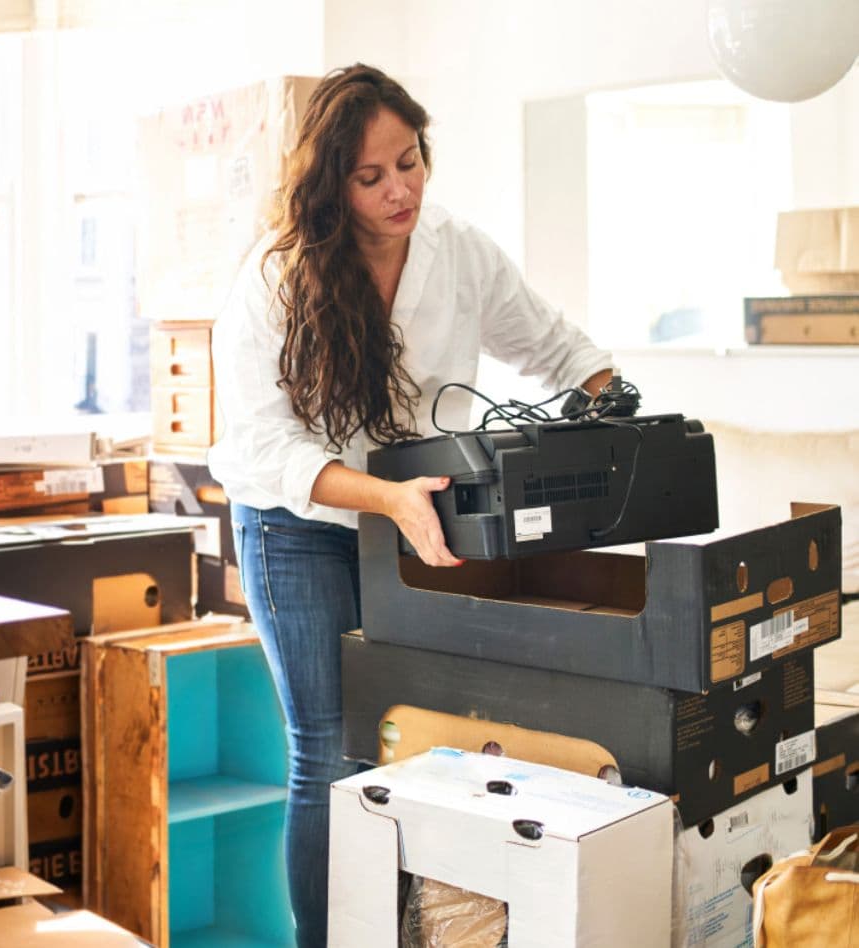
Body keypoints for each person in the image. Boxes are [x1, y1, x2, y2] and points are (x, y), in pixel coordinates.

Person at [207, 63, 614, 947]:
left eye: (410, 162)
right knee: (330, 747)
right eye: (371, 176)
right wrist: (386, 498)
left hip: (411, 516)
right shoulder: (275, 280)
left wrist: (613, 398)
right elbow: (266, 447)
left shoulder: (457, 251)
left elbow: (551, 344)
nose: (401, 190)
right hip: (297, 527)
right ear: (332, 187)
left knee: (413, 746)